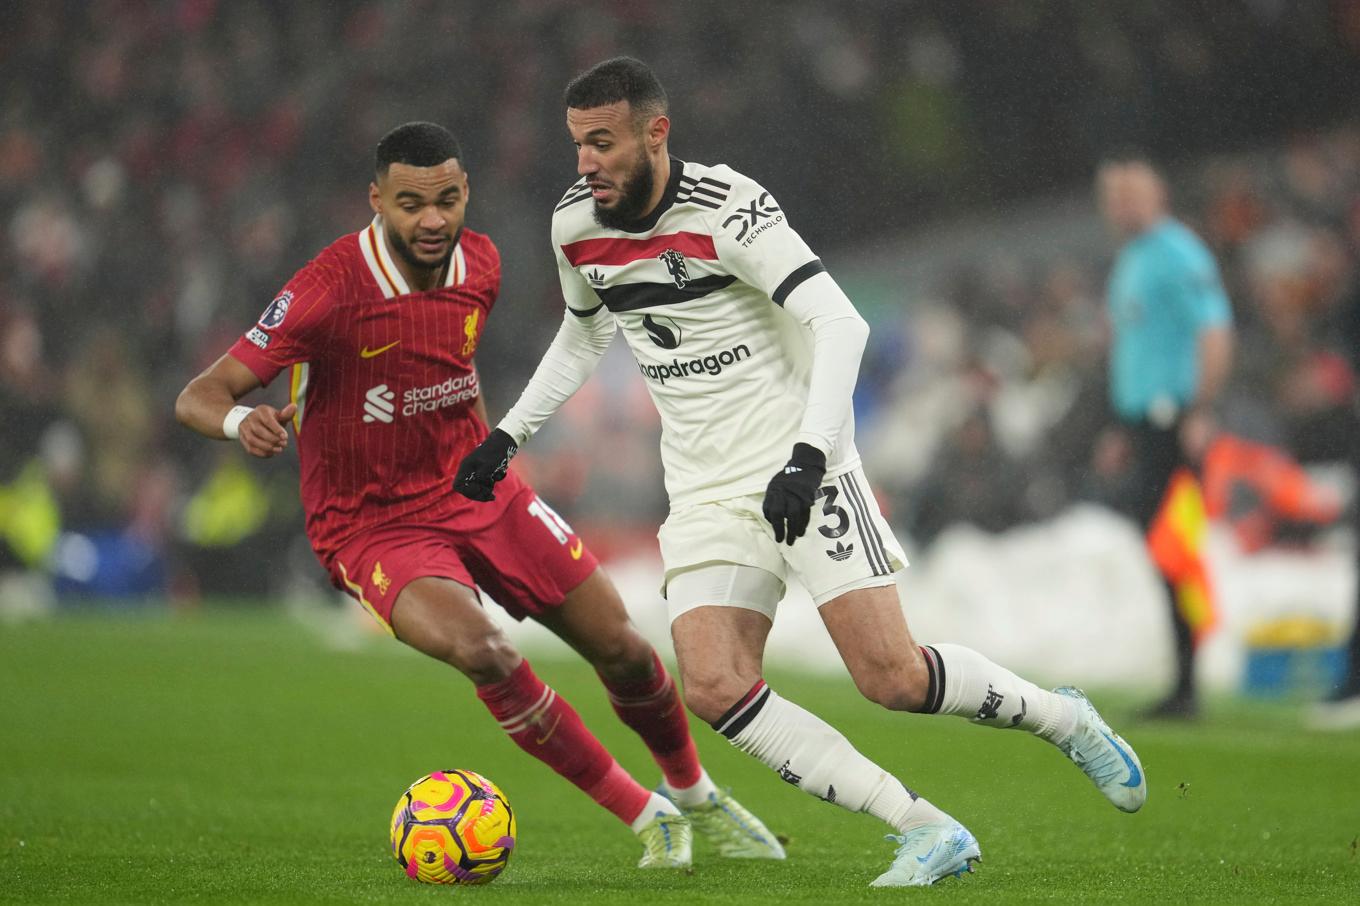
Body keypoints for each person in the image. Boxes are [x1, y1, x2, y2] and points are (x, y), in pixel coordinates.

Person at [456, 58, 1146, 888]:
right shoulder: (576, 225)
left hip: (799, 465)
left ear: (655, 133)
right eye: (578, 145)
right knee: (713, 685)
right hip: (706, 487)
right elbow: (583, 332)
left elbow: (839, 321)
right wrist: (510, 433)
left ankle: (1064, 717)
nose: (585, 163)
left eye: (602, 143)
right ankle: (924, 828)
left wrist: (811, 454)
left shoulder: (731, 211)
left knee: (890, 677)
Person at [175, 121, 784, 870]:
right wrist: (242, 422)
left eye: (447, 199)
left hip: (479, 490)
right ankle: (646, 815)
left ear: (465, 193)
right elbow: (199, 394)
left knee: (623, 648)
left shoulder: (485, 263)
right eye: (410, 204)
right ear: (376, 202)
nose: (432, 220)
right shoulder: (328, 290)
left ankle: (696, 796)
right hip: (371, 525)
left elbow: (444, 365)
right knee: (484, 650)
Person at [1097, 153, 1235, 719]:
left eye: (1130, 195)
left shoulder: (1179, 253)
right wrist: (1121, 424)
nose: (1120, 207)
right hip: (1144, 422)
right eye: (1113, 197)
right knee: (1163, 550)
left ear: (1157, 196)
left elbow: (1215, 330)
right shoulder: (1131, 259)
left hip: (1174, 422)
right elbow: (1134, 348)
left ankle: (1190, 683)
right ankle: (1183, 680)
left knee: (1175, 547)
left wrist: (1201, 408)